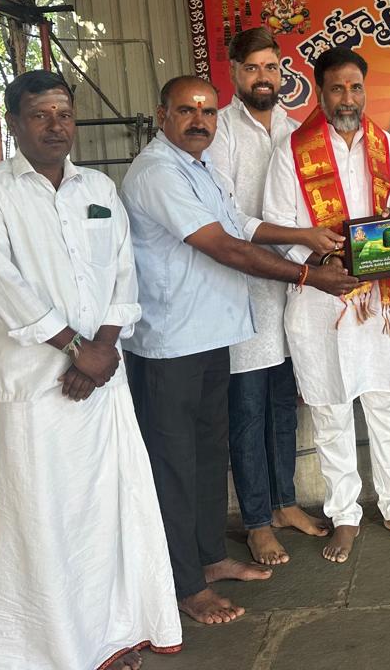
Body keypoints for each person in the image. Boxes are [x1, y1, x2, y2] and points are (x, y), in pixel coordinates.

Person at [0, 70, 179, 670]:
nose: (56, 127)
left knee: (110, 512)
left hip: (103, 382)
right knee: (46, 524)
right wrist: (78, 348)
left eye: (64, 114)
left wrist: (101, 348)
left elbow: (123, 273)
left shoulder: (97, 187)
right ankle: (56, 652)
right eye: (40, 115)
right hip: (36, 385)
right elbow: (2, 285)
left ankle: (115, 635)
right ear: (13, 123)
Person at [121, 75, 357, 625]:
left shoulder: (200, 167)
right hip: (170, 345)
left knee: (208, 456)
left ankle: (208, 558)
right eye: (186, 110)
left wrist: (304, 235)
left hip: (209, 337)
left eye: (207, 111)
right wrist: (308, 276)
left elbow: (241, 226)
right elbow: (224, 247)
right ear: (162, 115)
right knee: (175, 466)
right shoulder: (157, 172)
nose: (199, 120)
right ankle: (184, 584)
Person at [263, 47, 390, 563]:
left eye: (356, 87)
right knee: (331, 408)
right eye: (337, 88)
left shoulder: (386, 146)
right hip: (321, 301)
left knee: (387, 404)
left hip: (381, 303)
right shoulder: (293, 150)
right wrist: (321, 264)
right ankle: (345, 515)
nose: (348, 98)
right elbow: (279, 224)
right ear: (320, 92)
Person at [207, 28, 334, 566]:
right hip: (242, 288)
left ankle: (284, 504)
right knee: (248, 410)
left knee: (284, 404)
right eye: (253, 67)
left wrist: (320, 247)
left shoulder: (294, 129)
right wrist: (302, 237)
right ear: (235, 72)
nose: (263, 77)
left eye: (272, 67)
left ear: (284, 73)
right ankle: (257, 520)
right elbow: (226, 218)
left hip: (294, 288)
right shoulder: (220, 131)